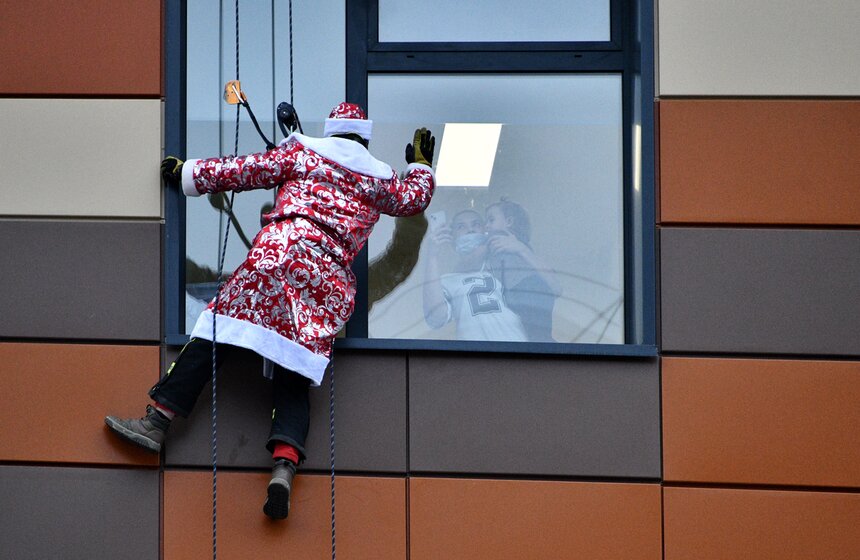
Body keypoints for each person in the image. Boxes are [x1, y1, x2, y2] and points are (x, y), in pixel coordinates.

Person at [105, 103, 435, 520]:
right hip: (326, 286)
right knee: (293, 369)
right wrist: (422, 166)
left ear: (330, 132)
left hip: (276, 258)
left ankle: (157, 422)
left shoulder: (302, 152)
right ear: (364, 139)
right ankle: (283, 465)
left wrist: (187, 171)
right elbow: (412, 200)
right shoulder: (378, 178)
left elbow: (243, 171)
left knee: (216, 333)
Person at [422, 209, 527, 342]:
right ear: (452, 238)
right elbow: (436, 318)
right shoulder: (445, 281)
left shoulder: (502, 267)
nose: (470, 230)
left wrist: (521, 249)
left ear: (485, 231)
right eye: (461, 226)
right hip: (475, 355)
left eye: (476, 224)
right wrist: (432, 256)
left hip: (517, 349)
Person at [484, 199, 560, 342]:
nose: (486, 226)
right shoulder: (492, 258)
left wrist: (521, 249)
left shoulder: (525, 259)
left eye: (491, 220)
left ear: (509, 222)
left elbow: (557, 287)